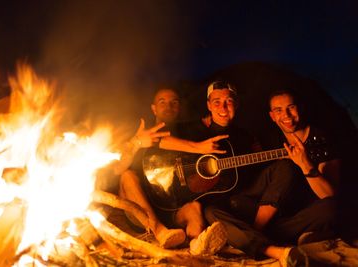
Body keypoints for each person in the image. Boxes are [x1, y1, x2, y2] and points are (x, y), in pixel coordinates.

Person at [204, 88, 340, 266]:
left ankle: (252, 237)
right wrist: (205, 125)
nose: (287, 115)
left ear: (300, 108)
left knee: (333, 207)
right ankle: (276, 236)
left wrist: (305, 164)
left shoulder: (320, 140)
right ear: (272, 116)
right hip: (262, 206)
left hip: (295, 214)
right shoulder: (266, 137)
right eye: (279, 110)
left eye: (291, 108)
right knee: (211, 210)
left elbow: (329, 194)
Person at [118, 87, 228, 252]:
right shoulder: (140, 133)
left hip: (171, 209)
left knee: (195, 208)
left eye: (174, 102)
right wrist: (135, 143)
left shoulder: (188, 131)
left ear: (179, 107)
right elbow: (117, 168)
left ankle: (196, 246)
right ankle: (159, 231)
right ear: (153, 108)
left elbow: (217, 125)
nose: (168, 106)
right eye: (162, 102)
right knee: (127, 176)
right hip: (141, 210)